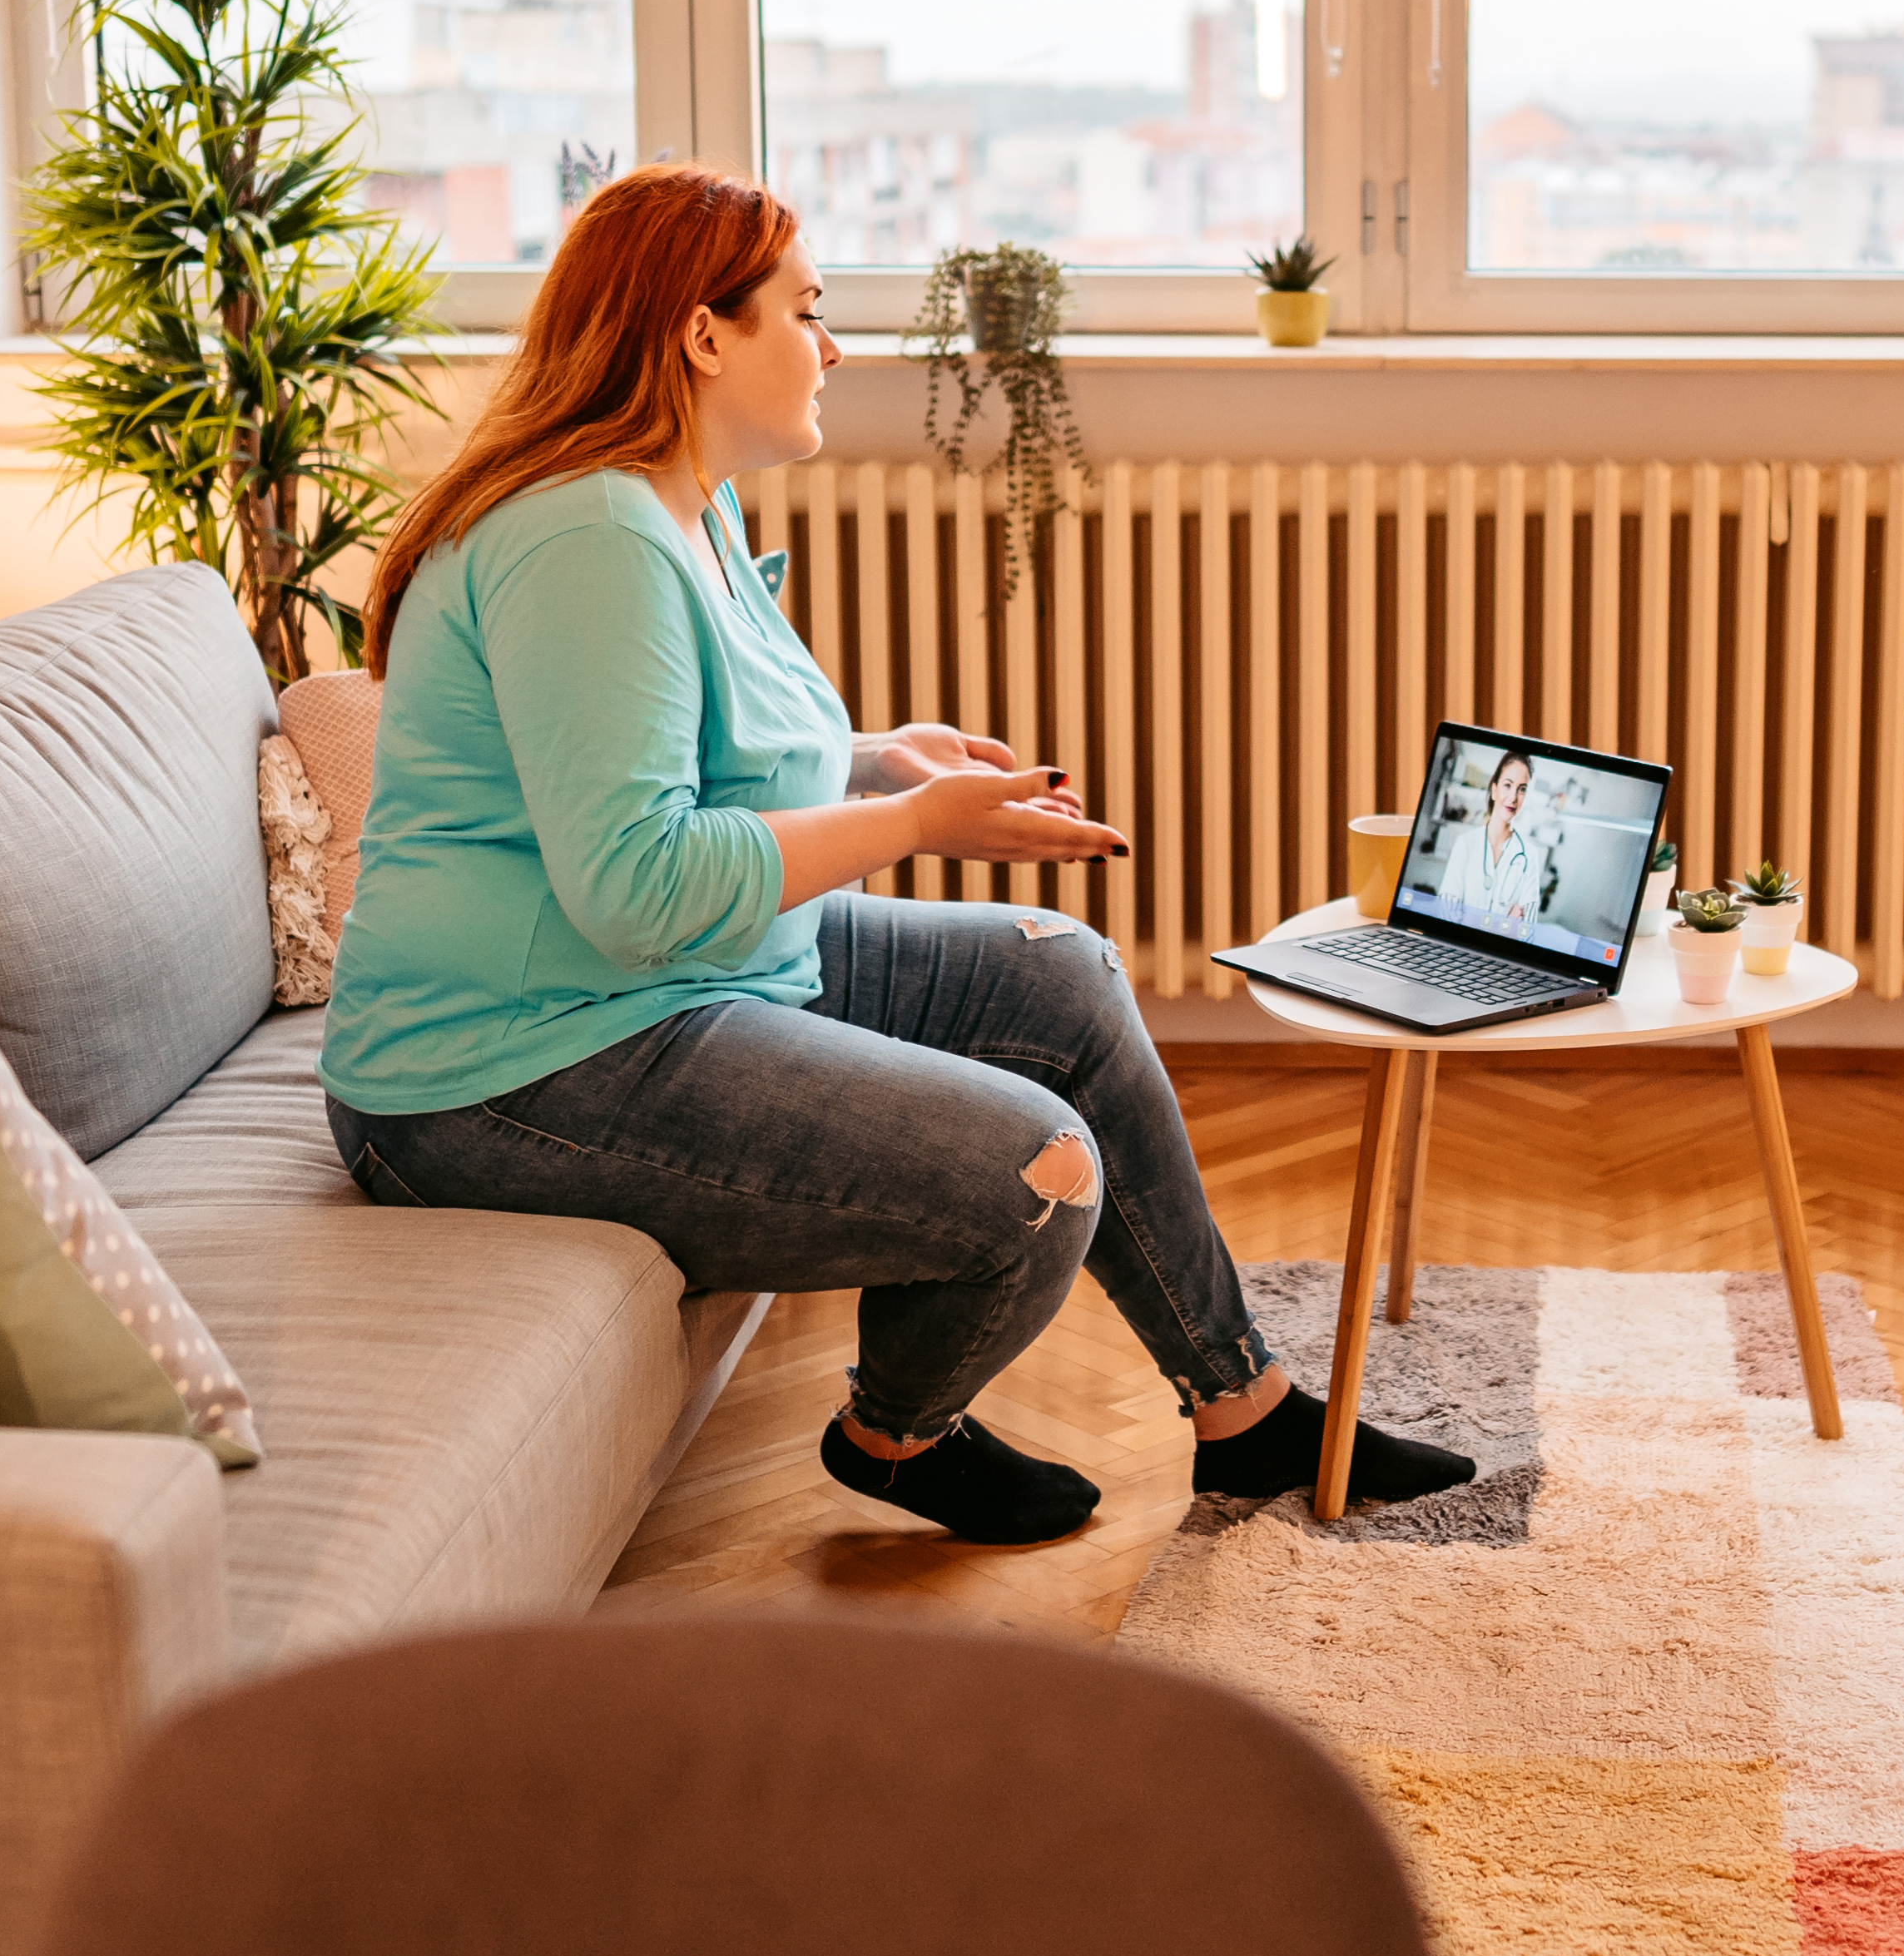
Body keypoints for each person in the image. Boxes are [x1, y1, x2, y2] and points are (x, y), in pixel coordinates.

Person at [320, 165, 1475, 1545]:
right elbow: (633, 885)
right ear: (700, 333)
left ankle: (1240, 1406)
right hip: (502, 1068)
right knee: (1038, 1166)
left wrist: (879, 757)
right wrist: (918, 825)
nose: (833, 343)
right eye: (806, 309)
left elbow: (680, 765)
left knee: (1062, 972)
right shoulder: (584, 535)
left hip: (668, 980)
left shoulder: (683, 498)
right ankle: (893, 1431)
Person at [1434, 747, 1564, 937]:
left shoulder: (1529, 856)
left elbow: (1528, 928)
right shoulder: (1466, 844)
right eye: (1508, 785)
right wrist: (1502, 926)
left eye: (1522, 789)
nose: (1513, 797)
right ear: (1494, 790)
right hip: (1458, 949)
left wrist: (1469, 919)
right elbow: (1445, 912)